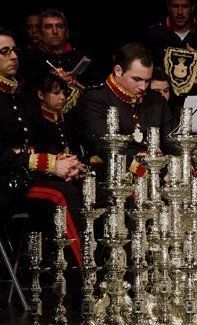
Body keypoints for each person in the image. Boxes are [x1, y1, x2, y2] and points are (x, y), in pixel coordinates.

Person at [0, 27, 85, 266]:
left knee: (80, 183)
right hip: (5, 184)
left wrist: (62, 162)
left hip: (21, 177)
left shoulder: (15, 94)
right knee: (61, 195)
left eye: (14, 50)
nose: (14, 56)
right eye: (4, 52)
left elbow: (29, 144)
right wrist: (48, 164)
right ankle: (81, 277)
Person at [74, 42, 176, 177]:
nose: (143, 87)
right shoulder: (94, 99)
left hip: (162, 174)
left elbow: (173, 143)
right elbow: (107, 149)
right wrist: (157, 173)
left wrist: (178, 169)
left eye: (147, 81)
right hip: (116, 177)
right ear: (118, 71)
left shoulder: (156, 100)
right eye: (137, 79)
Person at [21, 9, 97, 88]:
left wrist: (77, 85)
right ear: (40, 33)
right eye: (48, 27)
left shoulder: (84, 58)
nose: (55, 31)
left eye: (59, 26)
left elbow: (97, 91)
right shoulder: (29, 59)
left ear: (67, 32)